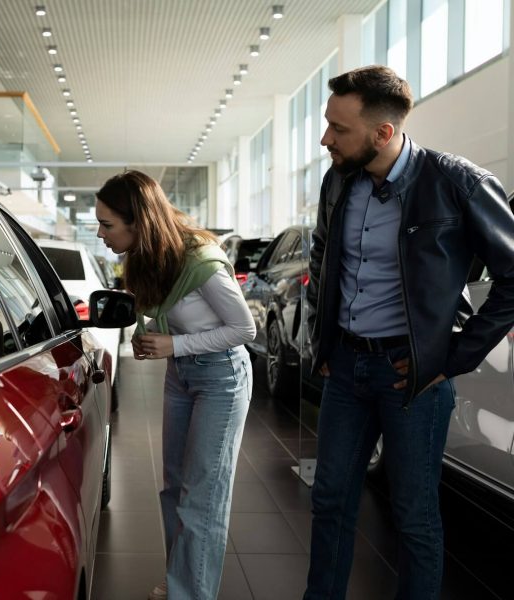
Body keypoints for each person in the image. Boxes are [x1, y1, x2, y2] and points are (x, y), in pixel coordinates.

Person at [304, 65, 514, 600]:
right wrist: (319, 339)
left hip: (413, 379)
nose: (326, 139)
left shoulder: (457, 183)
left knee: (414, 516)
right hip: (345, 369)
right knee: (329, 501)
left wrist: (454, 356)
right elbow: (323, 256)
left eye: (338, 129)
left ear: (383, 133)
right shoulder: (338, 181)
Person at [95, 170, 256, 600]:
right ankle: (185, 582)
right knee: (174, 489)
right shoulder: (149, 259)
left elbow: (245, 329)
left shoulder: (199, 259)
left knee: (202, 497)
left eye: (107, 224)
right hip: (183, 376)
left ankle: (190, 592)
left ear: (138, 221)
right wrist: (165, 343)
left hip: (221, 377)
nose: (100, 233)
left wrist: (175, 343)